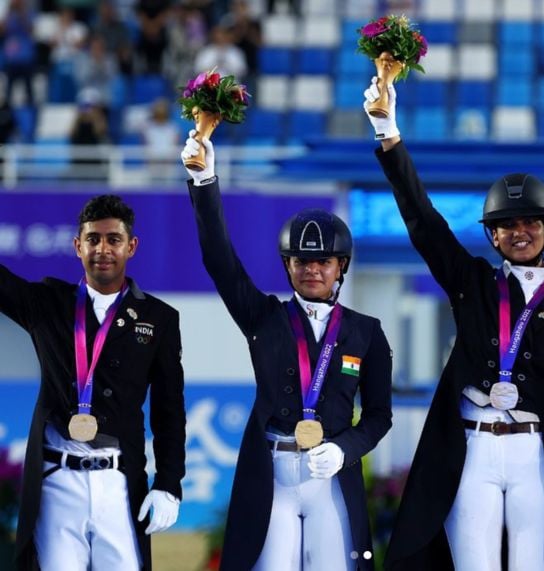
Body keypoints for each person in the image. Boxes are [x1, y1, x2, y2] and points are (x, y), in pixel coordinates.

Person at [364, 78, 544, 570]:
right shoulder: (471, 283)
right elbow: (424, 222)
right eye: (507, 225)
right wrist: (389, 134)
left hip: (536, 454)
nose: (519, 232)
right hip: (472, 449)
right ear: (492, 236)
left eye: (530, 222)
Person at [181, 132, 393, 570]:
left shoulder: (367, 332)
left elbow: (379, 416)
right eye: (301, 261)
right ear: (287, 265)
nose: (312, 269)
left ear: (341, 267)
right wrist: (204, 182)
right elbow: (220, 261)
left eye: (323, 262)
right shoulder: (264, 318)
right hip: (273, 476)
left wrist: (346, 449)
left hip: (331, 475)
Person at [2, 194, 186, 570]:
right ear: (77, 246)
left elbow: (169, 411)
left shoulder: (159, 318)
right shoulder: (47, 303)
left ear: (131, 246)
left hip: (118, 484)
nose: (103, 249)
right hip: (57, 484)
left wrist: (169, 483)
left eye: (113, 239)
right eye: (93, 239)